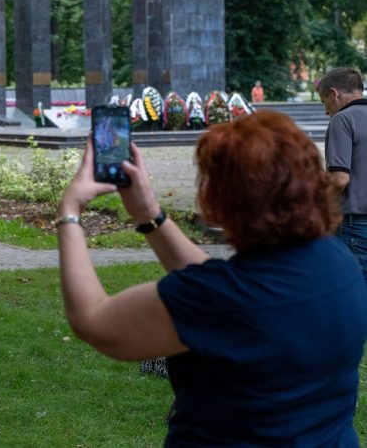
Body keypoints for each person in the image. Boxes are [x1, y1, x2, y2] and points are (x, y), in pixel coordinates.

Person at [57, 110, 367, 445]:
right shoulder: (339, 263)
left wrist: (70, 211)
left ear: (218, 202)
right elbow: (223, 286)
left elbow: (93, 320)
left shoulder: (222, 301)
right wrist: (150, 215)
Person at [318, 67, 367, 280]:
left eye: (324, 102)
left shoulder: (343, 119)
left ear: (334, 93)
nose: (326, 111)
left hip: (356, 227)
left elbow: (339, 179)